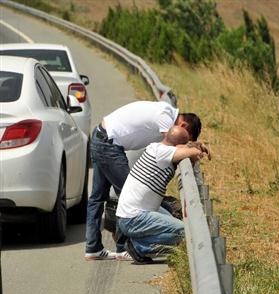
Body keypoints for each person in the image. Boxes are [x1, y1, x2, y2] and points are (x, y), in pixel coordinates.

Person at [84, 100, 206, 261]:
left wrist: (193, 145)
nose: (186, 144)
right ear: (182, 126)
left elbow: (174, 145)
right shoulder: (165, 118)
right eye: (186, 140)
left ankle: (93, 248)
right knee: (126, 192)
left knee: (97, 197)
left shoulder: (166, 111)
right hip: (109, 143)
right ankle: (124, 247)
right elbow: (173, 147)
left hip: (102, 137)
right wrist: (193, 148)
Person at [116, 126, 206, 264]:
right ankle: (139, 246)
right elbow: (192, 153)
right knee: (183, 231)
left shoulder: (156, 147)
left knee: (175, 223)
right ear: (179, 145)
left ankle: (140, 243)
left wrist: (193, 145)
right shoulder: (164, 153)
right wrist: (196, 149)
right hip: (133, 218)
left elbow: (184, 149)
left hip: (131, 213)